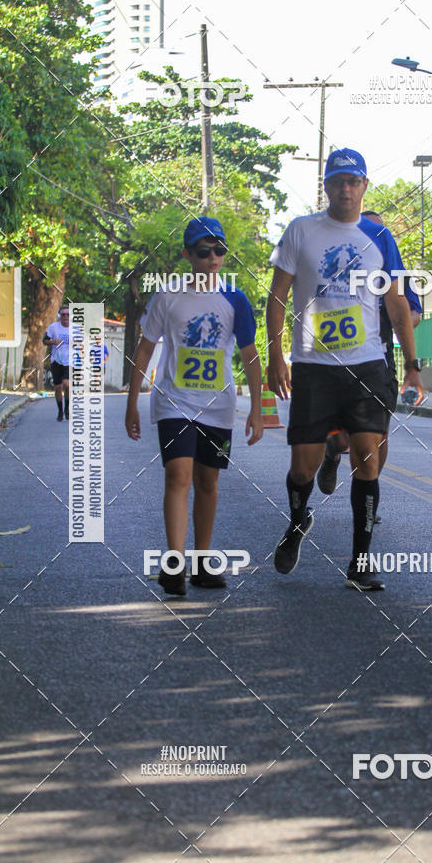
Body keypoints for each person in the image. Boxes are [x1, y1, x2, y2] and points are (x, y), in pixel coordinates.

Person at [266, 148, 423, 592]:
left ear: (365, 186)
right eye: (338, 181)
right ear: (327, 186)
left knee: (367, 462)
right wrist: (276, 355)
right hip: (314, 365)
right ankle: (298, 520)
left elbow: (396, 303)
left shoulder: (380, 236)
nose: (346, 189)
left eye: (354, 182)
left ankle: (360, 560)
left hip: (368, 365)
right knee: (303, 467)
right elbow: (277, 297)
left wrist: (412, 366)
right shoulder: (300, 231)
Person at [125, 217, 263, 596]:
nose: (213, 258)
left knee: (208, 481)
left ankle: (202, 563)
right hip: (174, 403)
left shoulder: (236, 299)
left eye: (220, 250)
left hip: (217, 407)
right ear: (187, 255)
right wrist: (133, 401)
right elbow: (145, 348)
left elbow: (250, 355)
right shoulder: (167, 298)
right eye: (204, 251)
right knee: (178, 476)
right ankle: (174, 564)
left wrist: (257, 410)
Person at [316, 210, 423, 500]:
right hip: (339, 351)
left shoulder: (396, 274)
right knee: (341, 435)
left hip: (380, 352)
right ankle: (333, 452)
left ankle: (366, 494)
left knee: (379, 431)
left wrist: (390, 319)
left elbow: (413, 313)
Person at [43, 305, 71, 421]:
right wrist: (54, 341)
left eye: (67, 314)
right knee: (58, 388)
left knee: (67, 384)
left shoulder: (75, 329)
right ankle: (60, 411)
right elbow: (44, 341)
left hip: (69, 361)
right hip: (56, 361)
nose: (65, 316)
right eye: (63, 314)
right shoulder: (53, 327)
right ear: (60, 316)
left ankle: (67, 409)